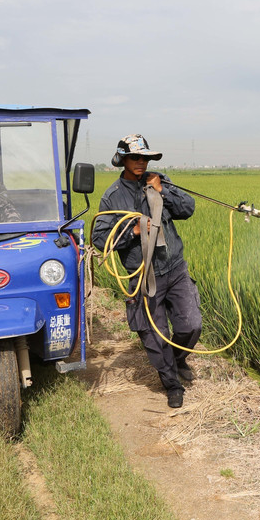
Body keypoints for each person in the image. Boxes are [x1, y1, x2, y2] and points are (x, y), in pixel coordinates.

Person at [91, 134, 202, 409]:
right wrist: (133, 231)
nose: (141, 162)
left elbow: (188, 209)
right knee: (155, 335)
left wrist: (164, 190)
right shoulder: (113, 197)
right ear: (123, 160)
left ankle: (177, 360)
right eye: (135, 157)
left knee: (191, 325)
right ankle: (172, 384)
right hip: (143, 274)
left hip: (174, 266)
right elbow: (100, 239)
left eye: (145, 157)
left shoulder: (160, 182)